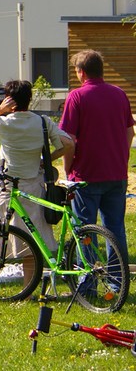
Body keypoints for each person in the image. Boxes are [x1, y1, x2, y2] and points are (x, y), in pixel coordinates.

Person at [0, 80, 73, 297]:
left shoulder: (4, 122)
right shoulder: (42, 122)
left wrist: (0, 109)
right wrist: (46, 161)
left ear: (9, 100)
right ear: (29, 99)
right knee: (31, 237)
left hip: (7, 186)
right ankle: (27, 290)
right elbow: (68, 144)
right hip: (33, 184)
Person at [59, 50, 134, 263]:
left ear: (82, 72)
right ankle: (117, 276)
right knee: (115, 228)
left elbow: (68, 140)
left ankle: (88, 278)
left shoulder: (77, 96)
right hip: (116, 172)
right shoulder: (119, 94)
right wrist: (122, 158)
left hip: (86, 174)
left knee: (85, 229)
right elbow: (130, 132)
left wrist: (68, 168)